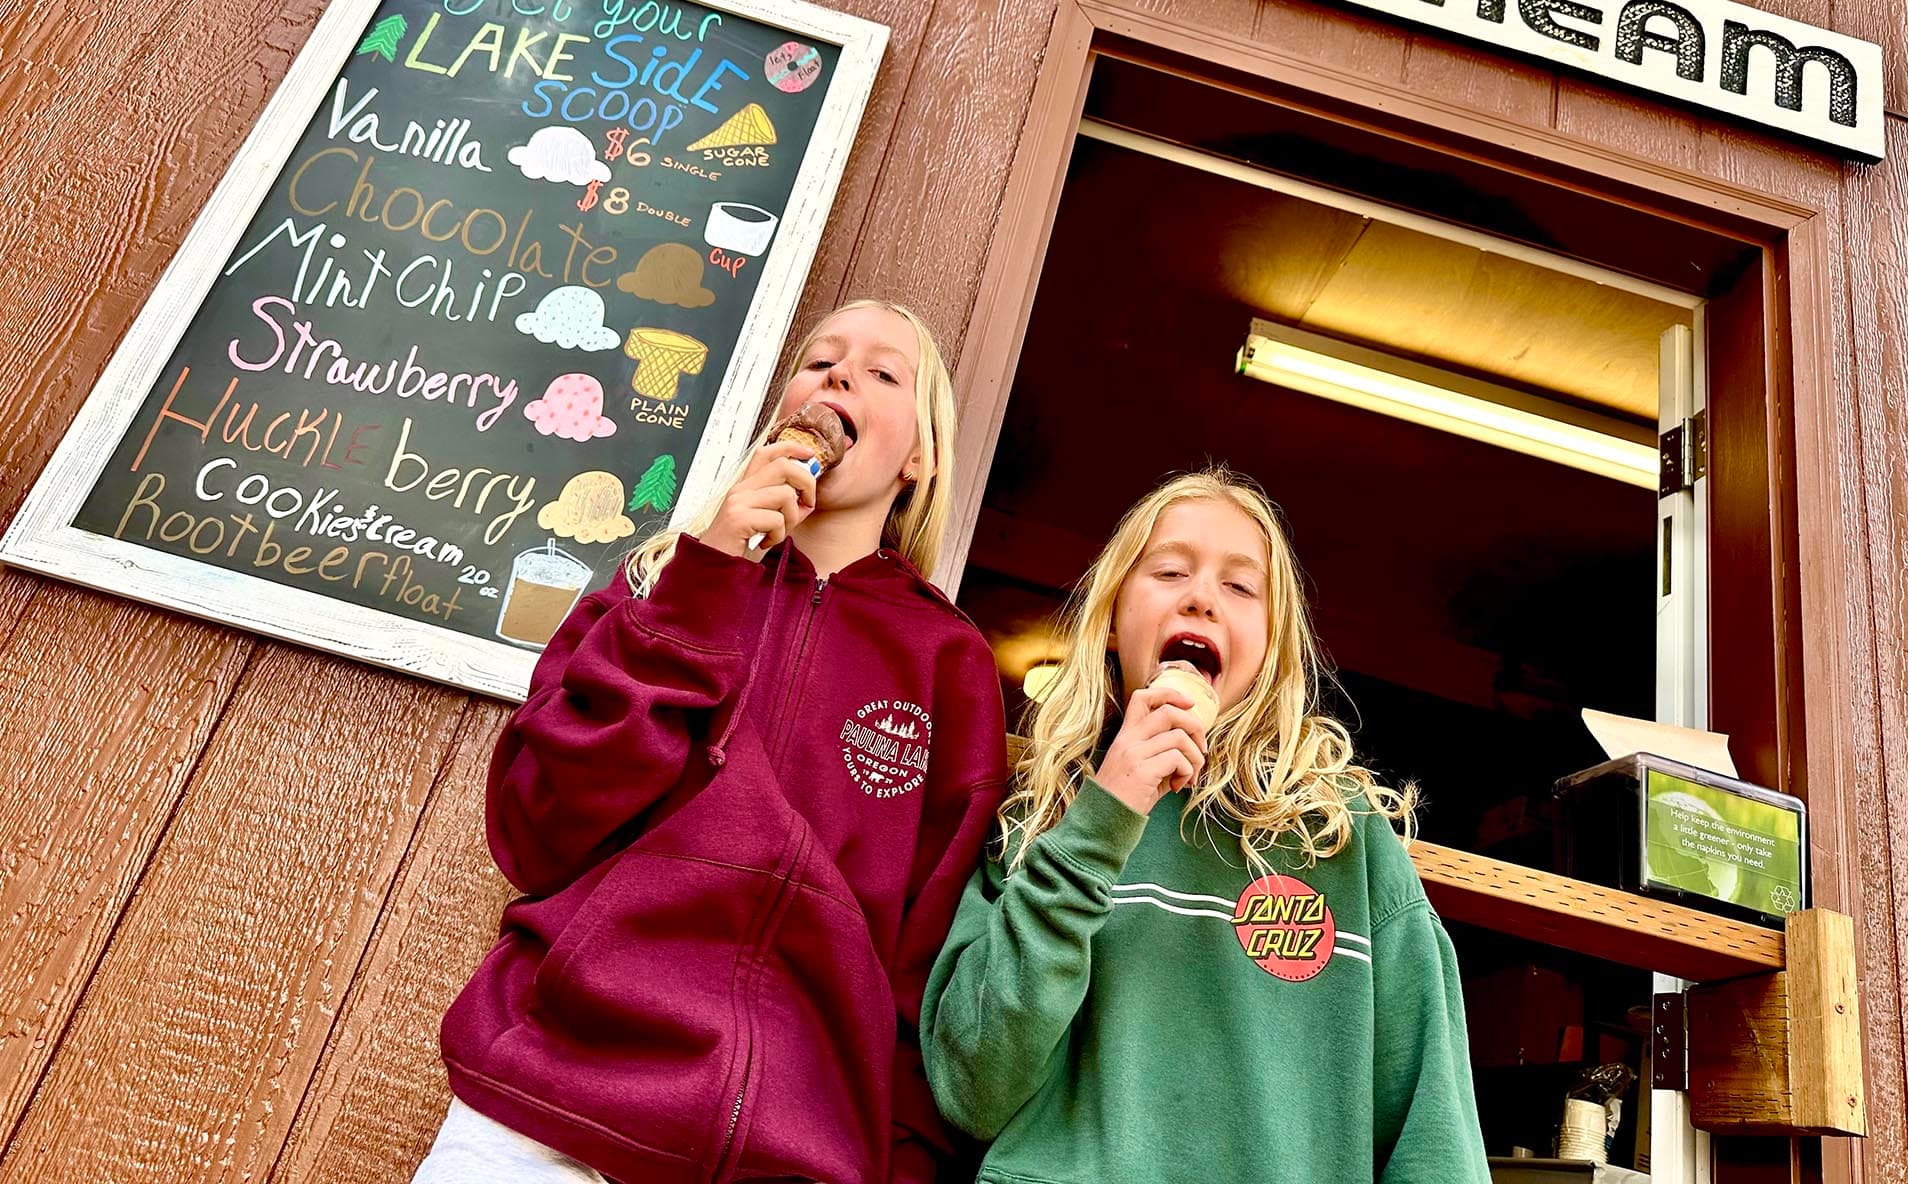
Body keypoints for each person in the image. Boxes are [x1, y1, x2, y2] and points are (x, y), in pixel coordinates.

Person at [421, 301, 1009, 1184]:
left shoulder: (947, 659)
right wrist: (712, 566)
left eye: (883, 373)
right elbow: (538, 824)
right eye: (819, 362)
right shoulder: (663, 579)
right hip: (552, 1105)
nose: (837, 376)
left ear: (920, 457)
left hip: (791, 1150)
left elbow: (923, 957)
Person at [922, 469, 1491, 1184]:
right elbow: (971, 1087)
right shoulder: (1038, 818)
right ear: (1112, 618)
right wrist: (1104, 816)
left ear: (1271, 651)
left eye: (1241, 587)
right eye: (1168, 571)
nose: (1200, 597)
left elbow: (1434, 1133)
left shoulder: (1342, 837)